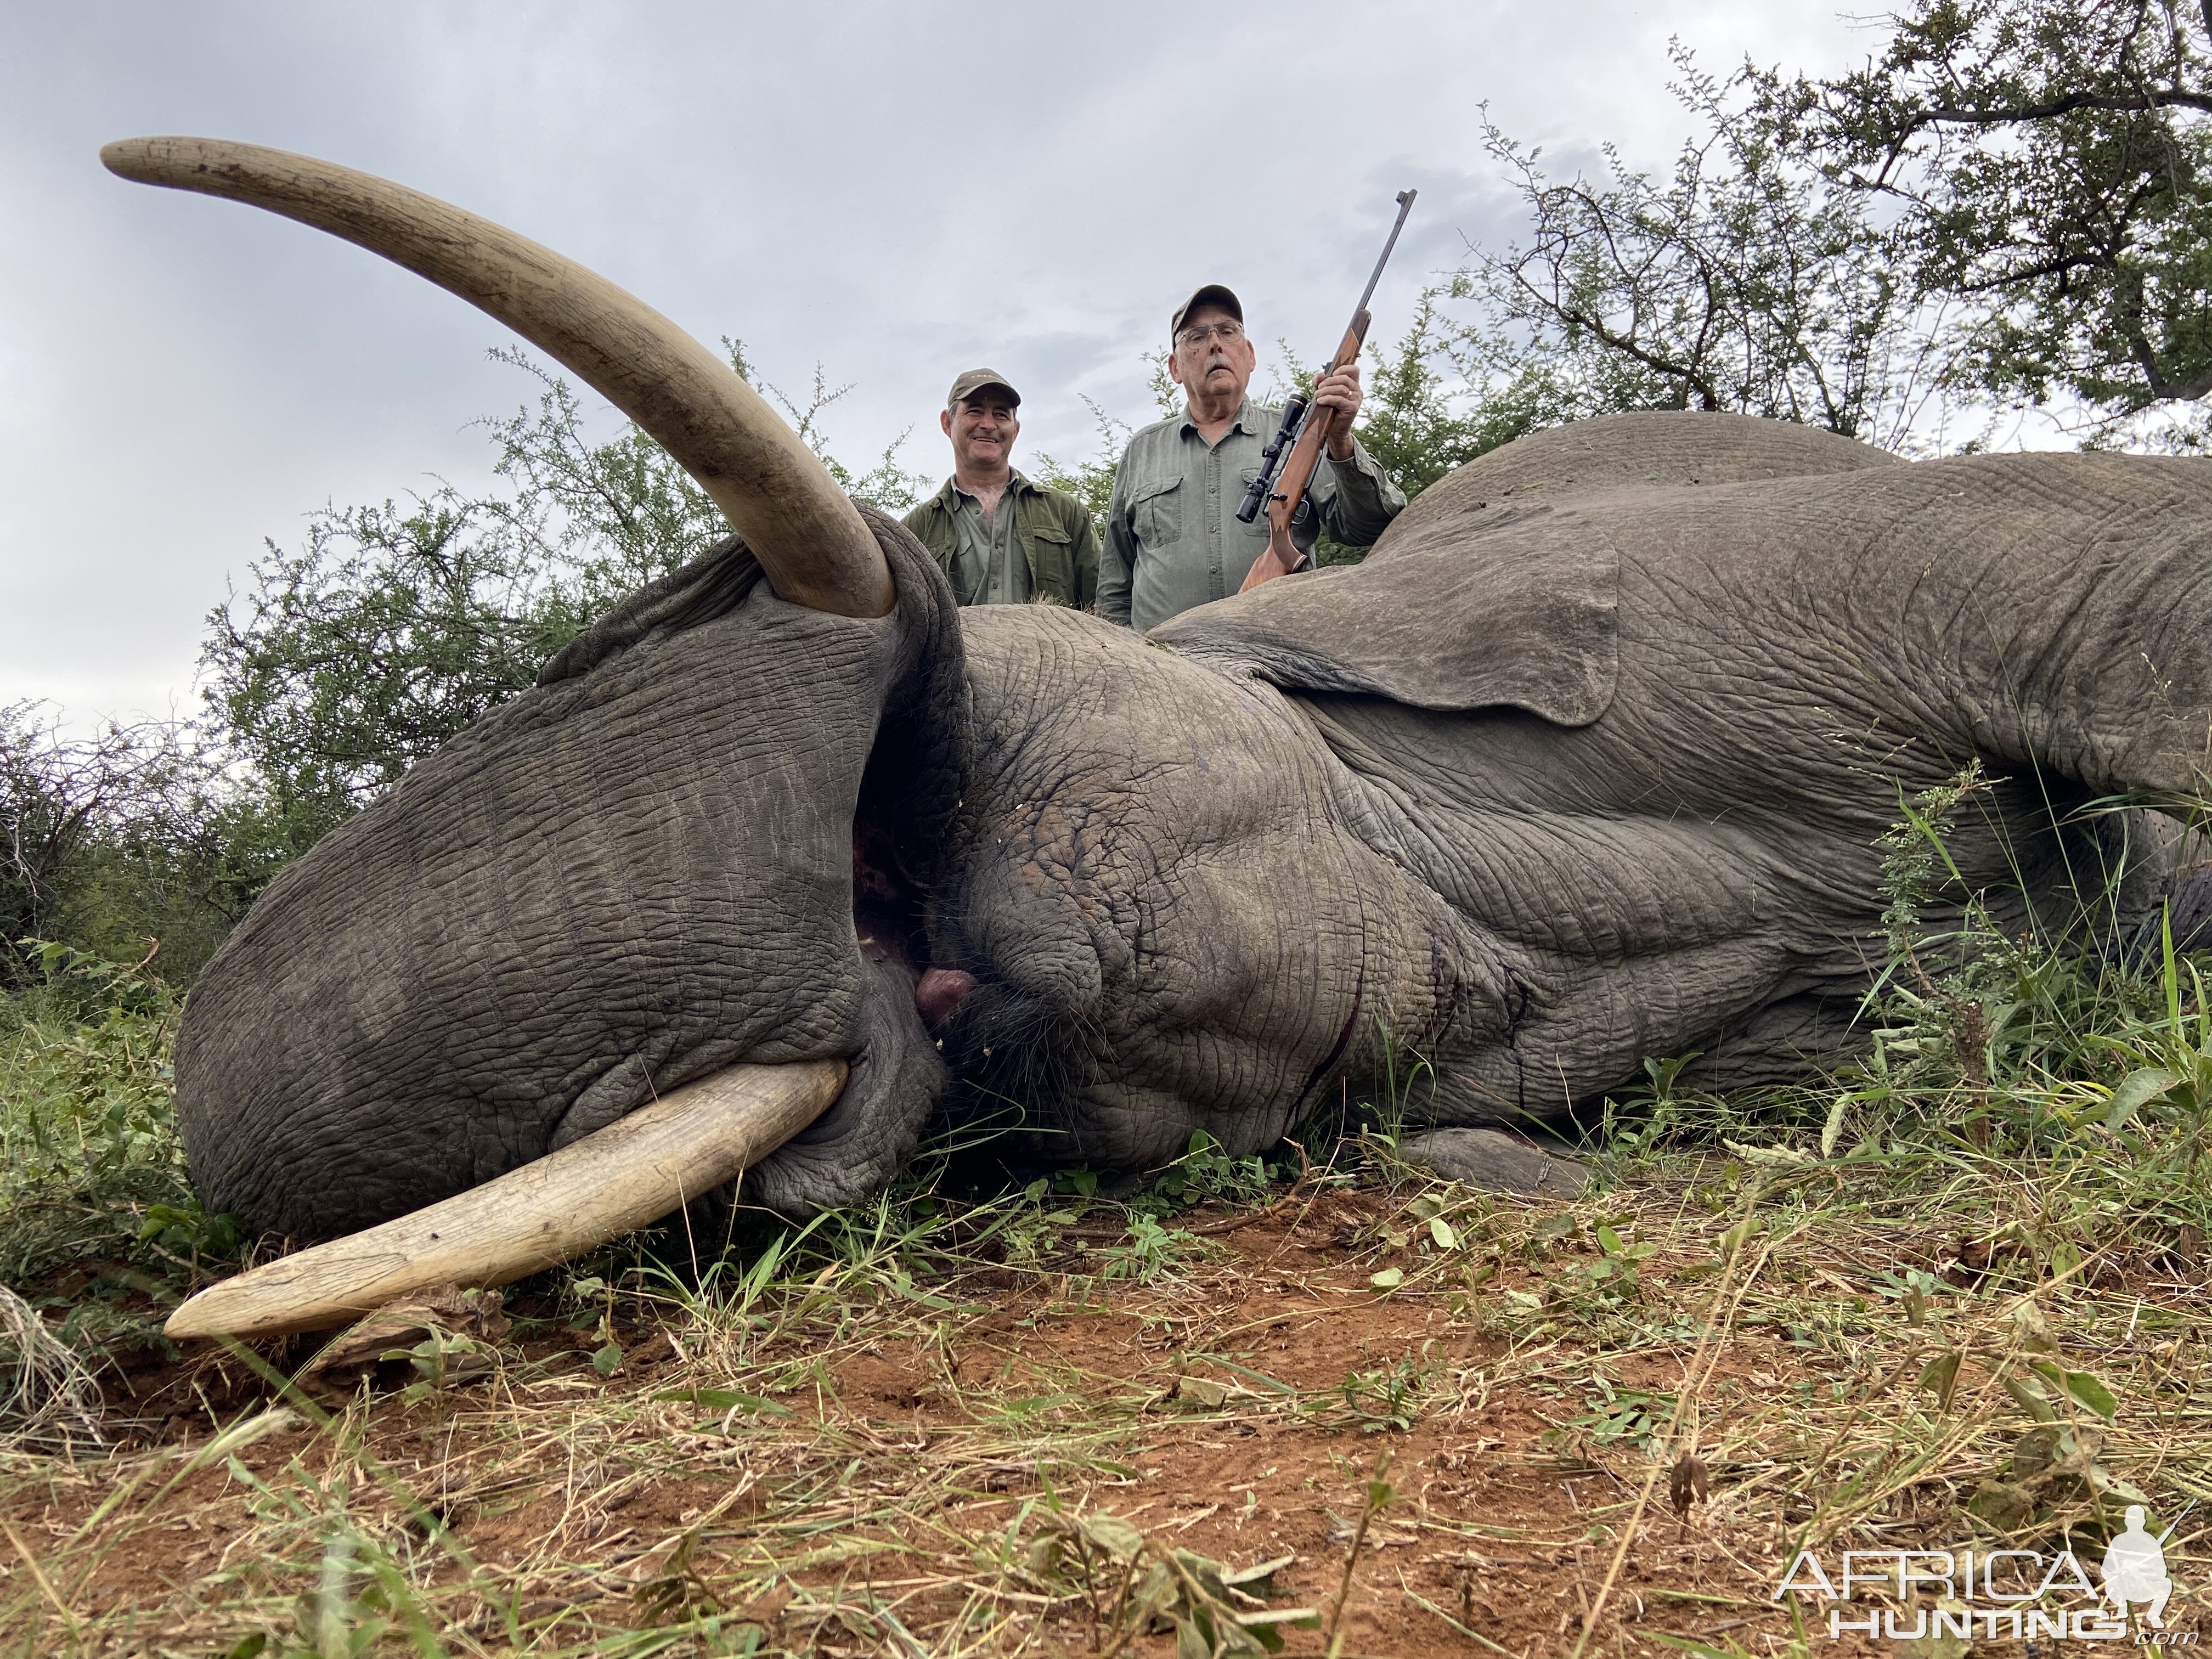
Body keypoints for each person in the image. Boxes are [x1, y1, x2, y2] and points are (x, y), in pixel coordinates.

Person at [1098, 284, 1405, 631]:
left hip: (1278, 665)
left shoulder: (1306, 436)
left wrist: (1340, 439)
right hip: (1164, 672)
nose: (1215, 344)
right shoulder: (1142, 450)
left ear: (1250, 355)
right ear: (1175, 368)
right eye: (1196, 337)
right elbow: (1115, 586)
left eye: (1228, 332)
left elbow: (1372, 528)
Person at [902, 369, 1099, 611]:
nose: (988, 425)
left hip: (1053, 649)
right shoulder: (914, 530)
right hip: (957, 651)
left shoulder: (1066, 511)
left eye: (1001, 415)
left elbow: (1102, 605)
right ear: (947, 423)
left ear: (1015, 430)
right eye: (975, 411)